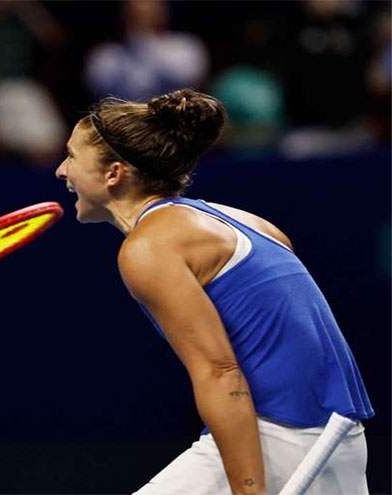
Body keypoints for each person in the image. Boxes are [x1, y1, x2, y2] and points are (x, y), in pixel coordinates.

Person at [54, 88, 373, 494]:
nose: (61, 170)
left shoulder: (149, 248)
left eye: (72, 157)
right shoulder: (245, 222)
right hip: (337, 442)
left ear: (114, 173)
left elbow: (220, 374)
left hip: (281, 441)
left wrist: (249, 490)